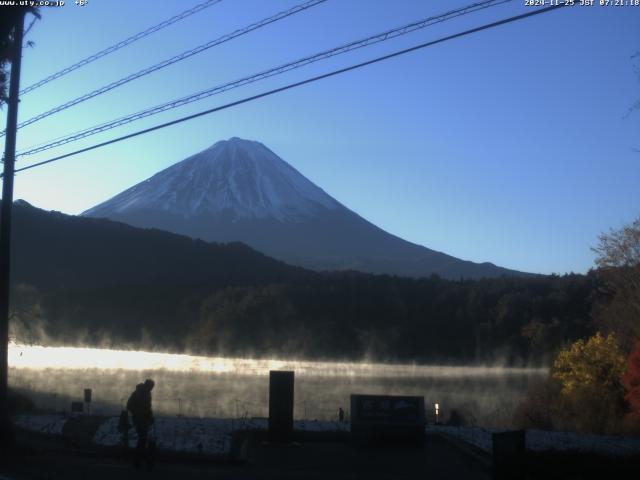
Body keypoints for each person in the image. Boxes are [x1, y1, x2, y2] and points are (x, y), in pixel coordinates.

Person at [126, 379, 155, 469]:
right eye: (151, 386)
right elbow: (129, 405)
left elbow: (148, 407)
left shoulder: (147, 393)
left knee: (142, 441)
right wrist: (139, 413)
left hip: (144, 420)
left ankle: (138, 461)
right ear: (148, 385)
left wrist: (150, 416)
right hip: (139, 420)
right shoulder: (138, 393)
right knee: (142, 440)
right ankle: (143, 461)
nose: (152, 389)